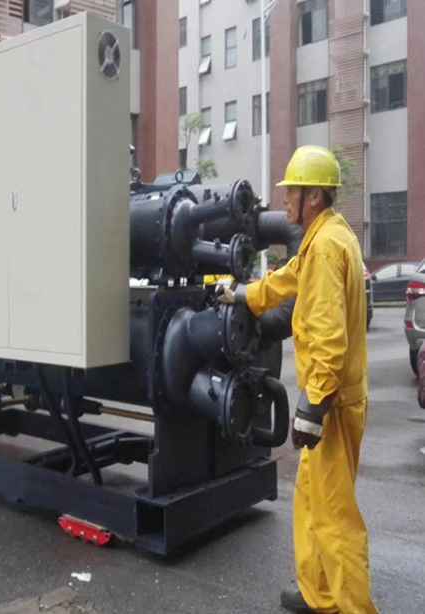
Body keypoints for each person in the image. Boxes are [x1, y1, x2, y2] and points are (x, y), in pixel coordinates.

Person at [220, 146, 377, 613]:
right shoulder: (325, 238)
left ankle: (355, 607)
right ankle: (319, 594)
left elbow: (328, 335)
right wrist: (241, 295)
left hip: (332, 401)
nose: (285, 198)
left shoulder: (326, 247)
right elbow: (285, 280)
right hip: (333, 396)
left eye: (291, 191)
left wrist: (313, 407)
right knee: (312, 499)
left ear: (313, 196)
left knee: (334, 516)